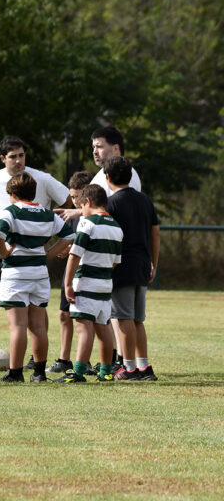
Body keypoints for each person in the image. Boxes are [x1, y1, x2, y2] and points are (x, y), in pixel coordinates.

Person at [0, 136, 70, 368]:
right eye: (13, 156)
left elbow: (67, 200)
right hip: (3, 249)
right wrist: (2, 232)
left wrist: (45, 237)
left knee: (36, 307)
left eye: (22, 155)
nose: (19, 160)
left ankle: (35, 359)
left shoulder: (41, 178)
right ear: (3, 158)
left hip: (33, 252)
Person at [55, 126, 142, 371]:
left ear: (116, 148)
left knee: (107, 318)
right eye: (93, 146)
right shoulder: (101, 175)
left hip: (107, 263)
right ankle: (113, 364)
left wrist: (76, 220)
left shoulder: (126, 177)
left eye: (100, 146)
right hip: (104, 259)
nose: (95, 151)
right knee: (108, 318)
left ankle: (112, 364)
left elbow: (108, 212)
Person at [0, 172, 74, 382]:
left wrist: (4, 253)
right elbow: (69, 235)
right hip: (39, 274)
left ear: (13, 194)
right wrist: (50, 253)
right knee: (38, 326)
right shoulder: (47, 214)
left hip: (16, 275)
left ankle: (15, 373)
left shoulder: (10, 212)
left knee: (17, 326)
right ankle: (39, 373)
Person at [55, 184, 122, 383]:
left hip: (86, 283)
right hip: (105, 285)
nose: (81, 210)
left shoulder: (87, 223)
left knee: (84, 328)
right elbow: (115, 262)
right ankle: (106, 372)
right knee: (103, 328)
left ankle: (78, 372)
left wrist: (68, 284)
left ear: (89, 202)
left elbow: (74, 255)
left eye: (81, 205)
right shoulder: (116, 227)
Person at [104, 156, 159, 381]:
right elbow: (155, 233)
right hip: (142, 263)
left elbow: (107, 235)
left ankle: (128, 367)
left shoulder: (111, 203)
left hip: (121, 265)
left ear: (108, 178)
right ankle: (144, 367)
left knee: (124, 318)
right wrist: (153, 263)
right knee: (137, 319)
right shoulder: (145, 200)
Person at [47, 171, 95, 374]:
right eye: (72, 197)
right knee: (64, 314)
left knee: (86, 319)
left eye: (77, 197)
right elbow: (73, 239)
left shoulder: (93, 216)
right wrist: (66, 249)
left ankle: (87, 361)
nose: (74, 202)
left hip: (87, 273)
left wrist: (72, 249)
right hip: (71, 271)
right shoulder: (73, 214)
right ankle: (64, 359)